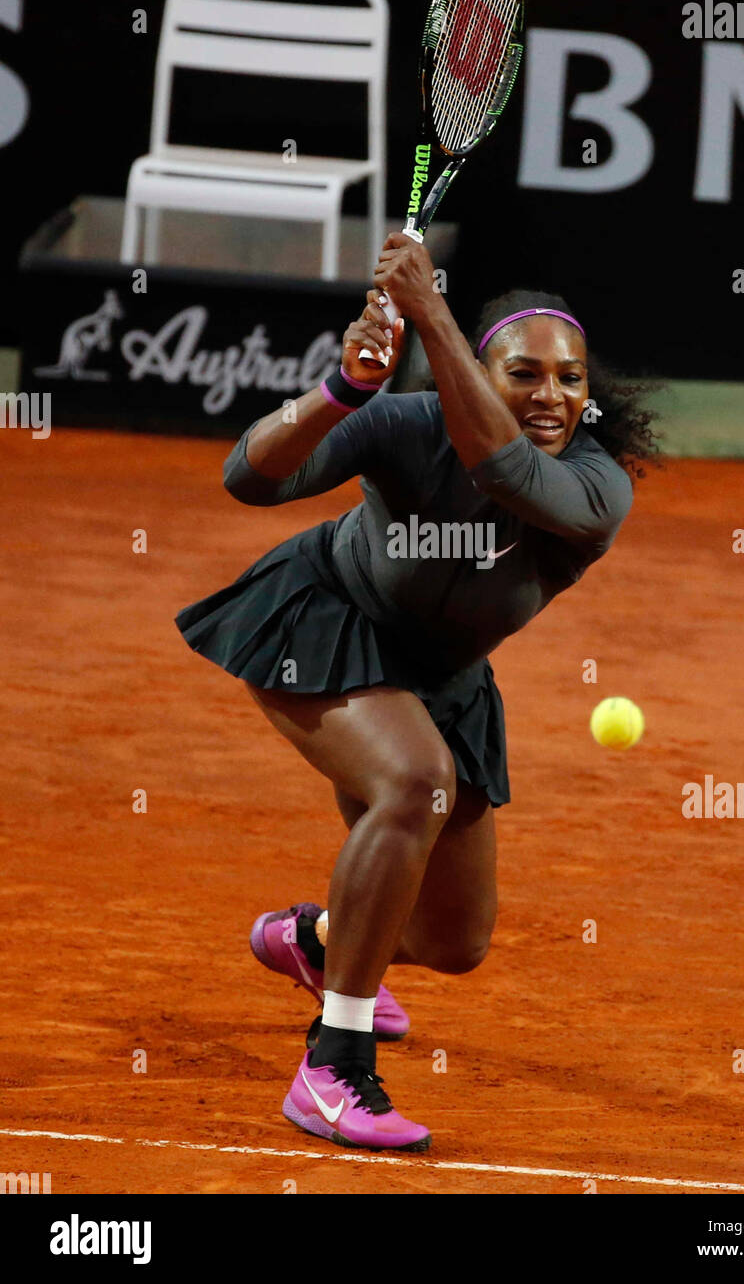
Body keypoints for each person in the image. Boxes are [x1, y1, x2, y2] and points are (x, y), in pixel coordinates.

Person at [175, 232, 660, 1151]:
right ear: (475, 373)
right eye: (524, 374)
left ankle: (318, 943)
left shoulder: (595, 486)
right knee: (414, 783)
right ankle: (333, 1067)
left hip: (446, 679)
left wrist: (428, 307)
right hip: (321, 622)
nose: (553, 395)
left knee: (454, 943)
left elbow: (506, 474)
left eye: (571, 378)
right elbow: (250, 475)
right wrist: (344, 391)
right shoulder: (406, 423)